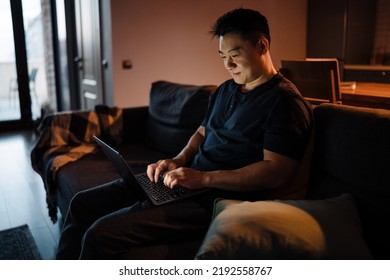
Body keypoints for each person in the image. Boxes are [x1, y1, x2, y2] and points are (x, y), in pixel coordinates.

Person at [56, 8, 313, 259]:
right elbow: (201, 132)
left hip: (214, 200)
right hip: (186, 182)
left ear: (262, 46)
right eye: (222, 55)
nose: (228, 64)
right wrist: (178, 160)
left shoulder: (285, 102)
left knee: (99, 235)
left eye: (234, 54)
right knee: (82, 203)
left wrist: (204, 179)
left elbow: (276, 171)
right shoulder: (226, 89)